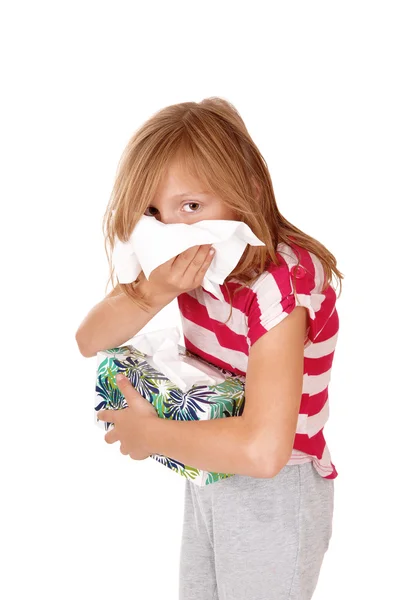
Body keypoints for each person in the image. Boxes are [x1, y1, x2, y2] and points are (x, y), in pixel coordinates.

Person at [75, 97, 343, 600]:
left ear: (241, 194)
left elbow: (265, 452)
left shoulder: (278, 285)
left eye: (191, 207)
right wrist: (154, 291)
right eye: (155, 213)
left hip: (277, 491)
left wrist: (150, 433)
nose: (173, 230)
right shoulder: (188, 265)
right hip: (210, 470)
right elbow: (90, 339)